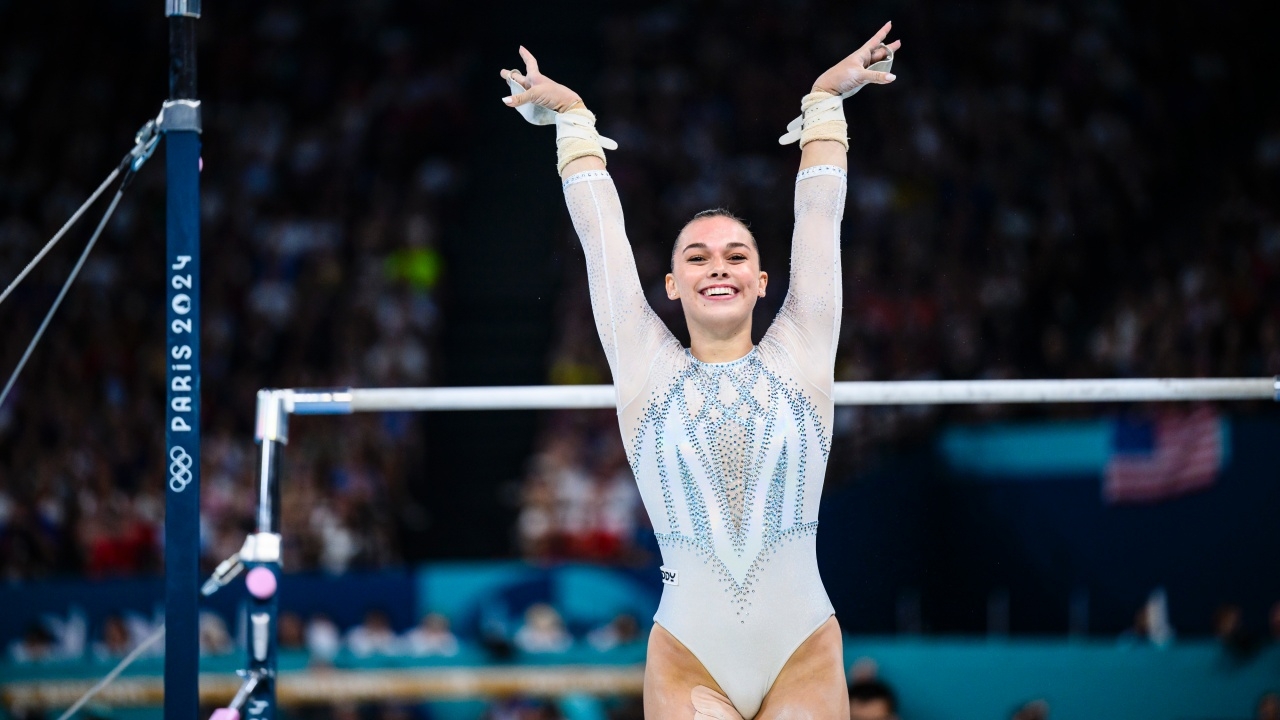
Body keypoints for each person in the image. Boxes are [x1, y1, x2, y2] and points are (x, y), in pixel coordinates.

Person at [501, 22, 899, 719]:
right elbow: (603, 244)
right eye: (698, 255)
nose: (718, 263)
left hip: (802, 646)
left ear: (763, 281)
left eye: (736, 255)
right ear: (672, 285)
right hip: (689, 652)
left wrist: (826, 105)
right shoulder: (645, 366)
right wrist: (572, 123)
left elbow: (818, 218)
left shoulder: (804, 348)